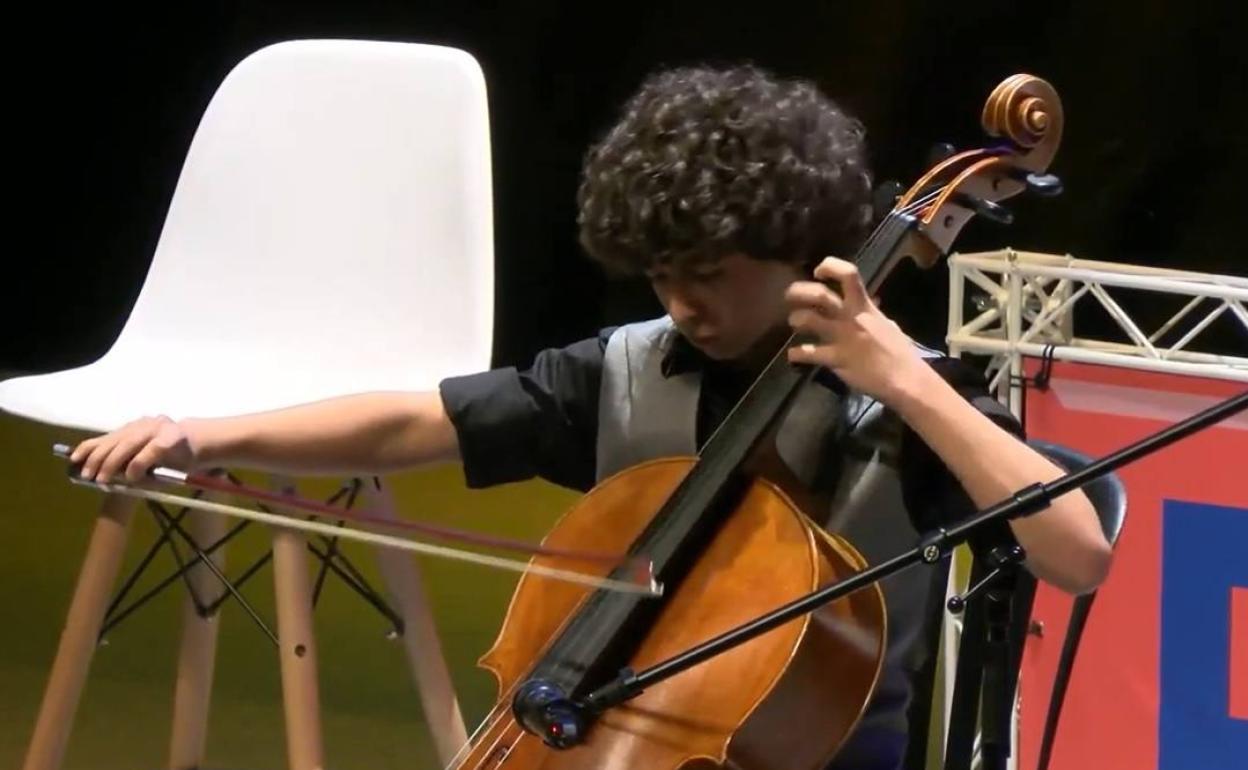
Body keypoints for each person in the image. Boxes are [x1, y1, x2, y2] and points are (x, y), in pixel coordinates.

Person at [70, 64, 1111, 769]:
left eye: (710, 274)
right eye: (661, 275)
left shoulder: (907, 402)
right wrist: (208, 435)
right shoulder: (625, 369)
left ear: (802, 250)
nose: (682, 304)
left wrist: (908, 379)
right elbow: (415, 424)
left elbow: (1077, 551)